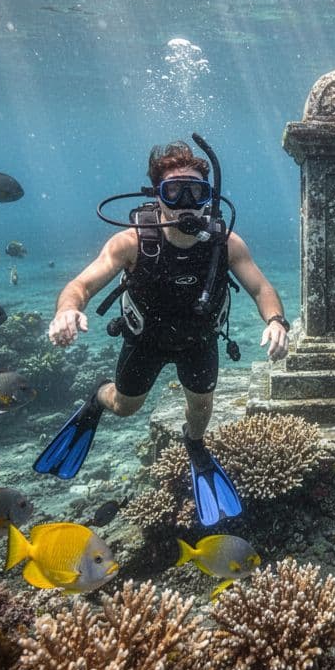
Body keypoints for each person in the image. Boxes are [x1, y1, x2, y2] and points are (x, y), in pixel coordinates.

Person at [35, 140, 290, 526]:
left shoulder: (225, 242)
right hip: (146, 341)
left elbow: (261, 288)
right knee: (124, 407)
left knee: (202, 409)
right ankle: (96, 399)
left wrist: (275, 322)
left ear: (208, 198)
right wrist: (68, 310)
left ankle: (195, 444)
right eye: (174, 191)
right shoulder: (133, 241)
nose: (186, 201)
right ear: (158, 197)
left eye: (196, 192)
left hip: (198, 340)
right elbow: (81, 285)